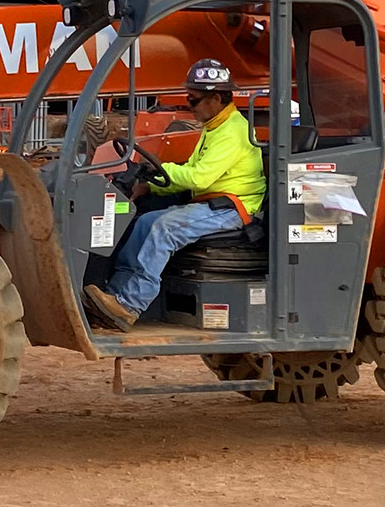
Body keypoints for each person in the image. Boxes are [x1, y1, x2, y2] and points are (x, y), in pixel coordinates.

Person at [83, 58, 265, 331]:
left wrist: (154, 173)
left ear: (216, 97)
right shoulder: (215, 127)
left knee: (163, 228)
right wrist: (150, 183)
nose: (189, 107)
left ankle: (131, 303)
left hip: (233, 208)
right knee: (144, 221)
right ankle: (114, 297)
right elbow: (191, 169)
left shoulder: (232, 132)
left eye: (193, 100)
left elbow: (199, 177)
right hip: (212, 203)